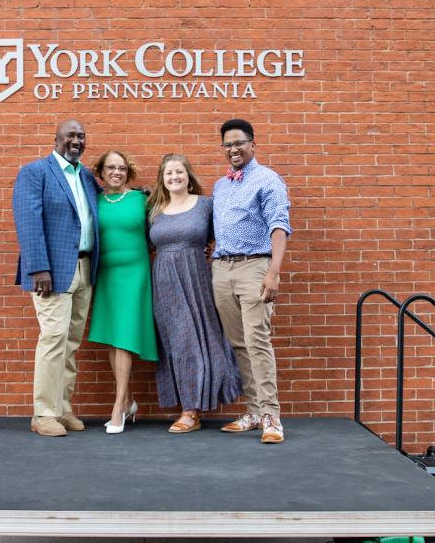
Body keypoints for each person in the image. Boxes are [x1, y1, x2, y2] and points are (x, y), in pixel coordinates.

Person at [12, 119, 100, 437]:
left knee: (71, 342)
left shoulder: (86, 176)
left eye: (81, 136)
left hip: (85, 268)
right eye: (70, 135)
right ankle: (43, 414)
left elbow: (104, 204)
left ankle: (62, 409)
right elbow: (28, 220)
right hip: (51, 271)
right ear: (57, 139)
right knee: (53, 338)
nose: (76, 140)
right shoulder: (35, 172)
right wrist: (39, 268)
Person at [148, 153, 241, 433]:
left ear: (188, 175)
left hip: (197, 278)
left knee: (199, 339)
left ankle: (191, 410)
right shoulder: (153, 209)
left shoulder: (204, 205)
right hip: (164, 282)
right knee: (177, 342)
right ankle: (190, 407)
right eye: (168, 173)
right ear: (162, 179)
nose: (174, 177)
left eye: (179, 171)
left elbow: (222, 236)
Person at [211, 118, 292, 444]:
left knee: (257, 341)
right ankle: (254, 411)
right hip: (222, 270)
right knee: (239, 343)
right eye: (228, 145)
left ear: (253, 145)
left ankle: (272, 416)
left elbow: (279, 226)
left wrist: (274, 273)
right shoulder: (221, 186)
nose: (233, 149)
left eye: (239, 143)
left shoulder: (267, 180)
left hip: (255, 267)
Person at [86, 150, 158, 434]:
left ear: (129, 172)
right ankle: (128, 401)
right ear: (101, 172)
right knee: (112, 338)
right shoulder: (94, 201)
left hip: (135, 274)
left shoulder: (142, 199)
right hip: (106, 276)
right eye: (111, 167)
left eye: (122, 168)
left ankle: (118, 408)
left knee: (124, 339)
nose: (116, 172)